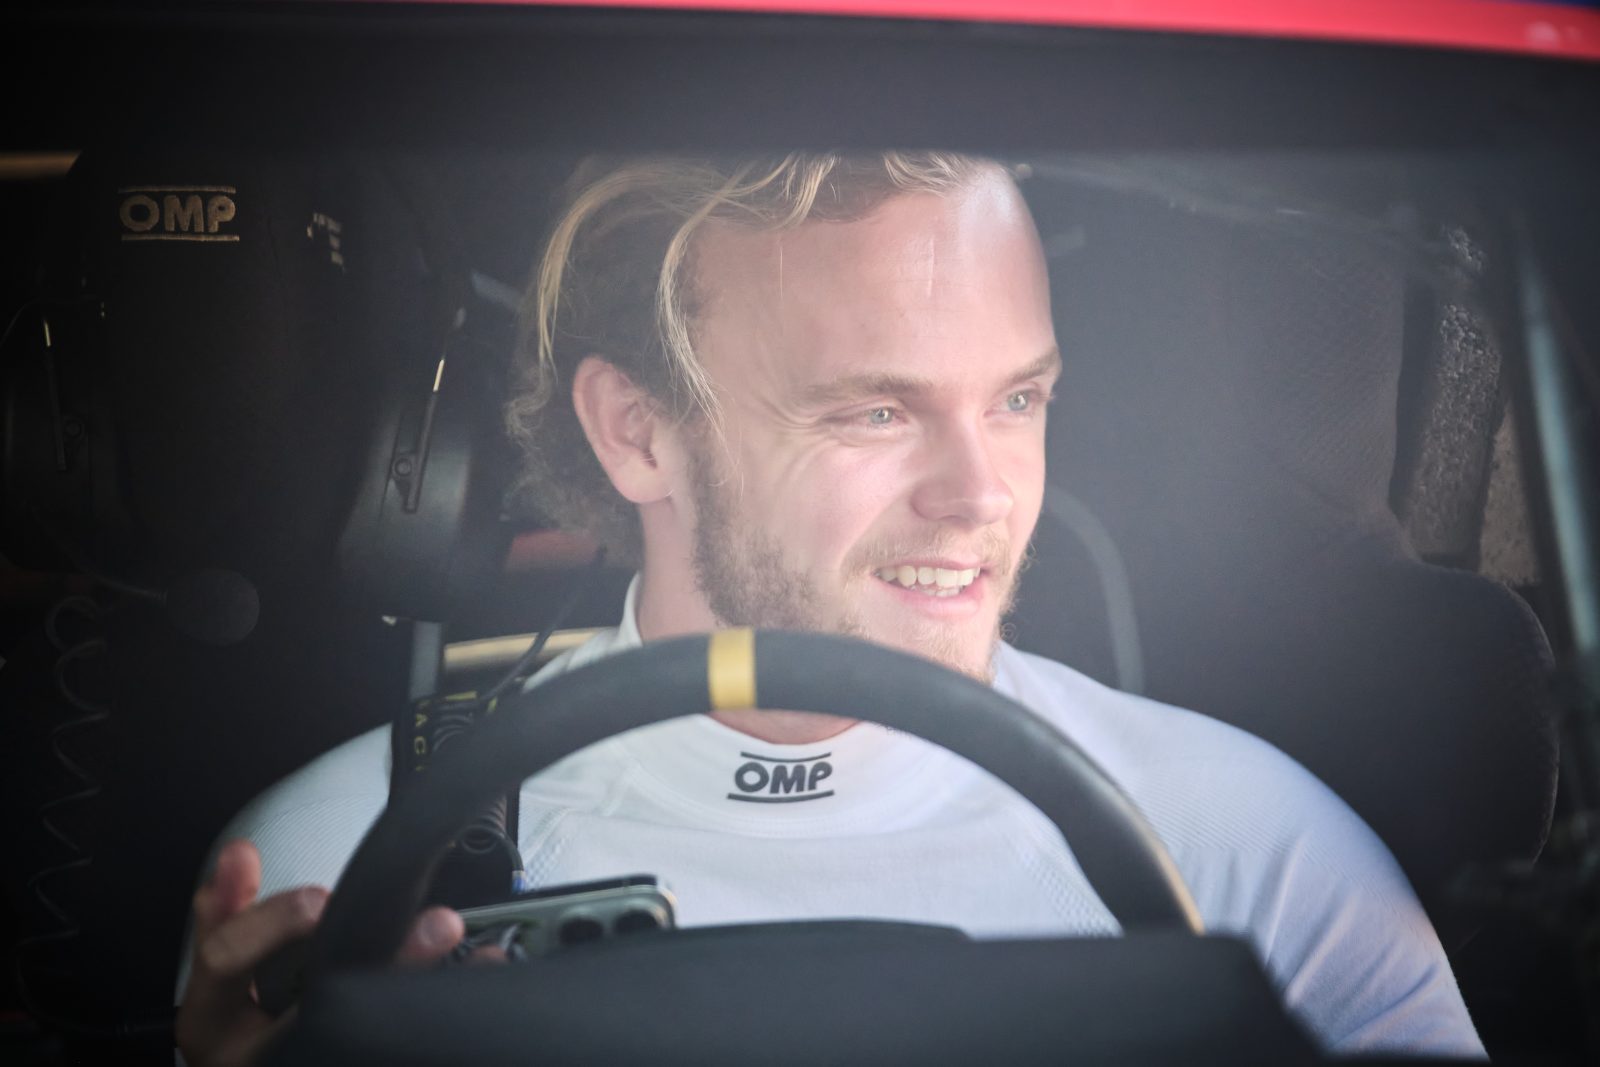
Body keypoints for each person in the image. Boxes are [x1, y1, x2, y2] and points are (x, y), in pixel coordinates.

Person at [176, 153, 1484, 1064]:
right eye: (874, 410)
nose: (980, 493)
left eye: (1018, 399)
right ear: (638, 432)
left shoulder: (1257, 858)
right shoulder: (336, 875)